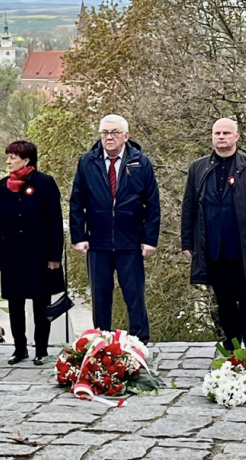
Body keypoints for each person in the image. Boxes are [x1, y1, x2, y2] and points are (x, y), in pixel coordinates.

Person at [181, 118, 246, 350]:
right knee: (224, 300)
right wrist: (187, 243)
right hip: (213, 246)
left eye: (226, 133)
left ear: (236, 137)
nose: (221, 137)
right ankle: (231, 344)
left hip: (245, 246)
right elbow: (189, 207)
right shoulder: (198, 168)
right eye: (217, 133)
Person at [69, 114, 160, 344]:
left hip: (130, 241)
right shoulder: (87, 161)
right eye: (105, 133)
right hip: (97, 241)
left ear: (126, 136)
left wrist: (150, 239)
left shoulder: (141, 162)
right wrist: (78, 236)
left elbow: (152, 203)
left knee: (134, 296)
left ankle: (140, 342)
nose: (109, 137)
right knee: (100, 297)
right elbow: (77, 201)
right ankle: (101, 342)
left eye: (114, 133)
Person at [0, 140, 64, 365]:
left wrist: (54, 256)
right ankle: (19, 348)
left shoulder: (45, 183)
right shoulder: (3, 186)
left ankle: (41, 349)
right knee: (15, 303)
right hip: (11, 254)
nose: (8, 161)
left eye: (13, 157)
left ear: (26, 159)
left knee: (41, 304)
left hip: (38, 255)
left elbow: (54, 221)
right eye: (8, 156)